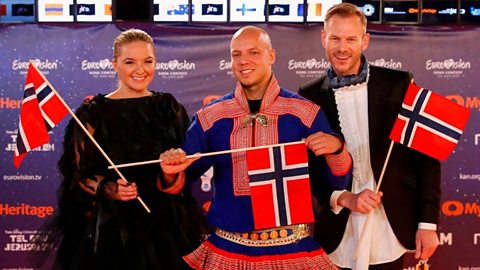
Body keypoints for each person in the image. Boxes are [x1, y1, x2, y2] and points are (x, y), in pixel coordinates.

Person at [158, 25, 353, 270]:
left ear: (271, 56)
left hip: (293, 248)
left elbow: (337, 182)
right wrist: (170, 170)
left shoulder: (305, 112)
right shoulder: (211, 115)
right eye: (236, 54)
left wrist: (337, 148)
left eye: (253, 52)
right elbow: (183, 177)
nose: (243, 61)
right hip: (228, 249)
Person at [47, 28, 209, 270]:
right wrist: (108, 188)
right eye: (130, 62)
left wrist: (170, 172)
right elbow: (76, 175)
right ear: (115, 65)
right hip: (113, 230)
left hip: (166, 225)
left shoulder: (168, 107)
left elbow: (182, 175)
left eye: (148, 61)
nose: (140, 70)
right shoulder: (93, 113)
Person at [298, 3, 441, 270]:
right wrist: (342, 198)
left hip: (391, 228)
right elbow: (310, 172)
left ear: (365, 41)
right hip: (338, 232)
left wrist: (428, 224)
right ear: (323, 38)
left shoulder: (400, 84)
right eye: (335, 38)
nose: (342, 47)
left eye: (351, 39)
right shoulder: (308, 96)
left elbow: (426, 158)